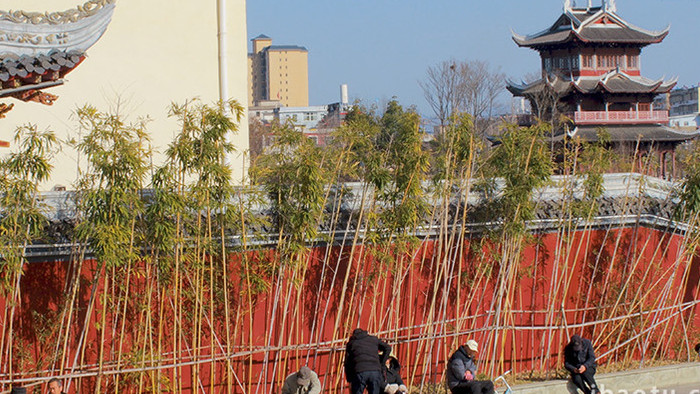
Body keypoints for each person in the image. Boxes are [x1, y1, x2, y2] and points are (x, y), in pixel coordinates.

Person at [344, 328, 392, 394]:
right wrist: (382, 363)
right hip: (375, 371)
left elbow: (347, 363)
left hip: (359, 371)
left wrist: (349, 378)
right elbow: (387, 348)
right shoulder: (373, 339)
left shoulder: (351, 344)